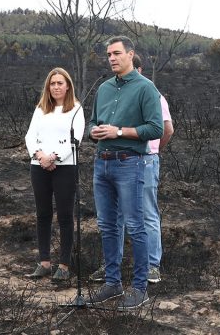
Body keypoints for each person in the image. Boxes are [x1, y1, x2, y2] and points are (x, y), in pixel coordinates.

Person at [84, 36, 163, 309]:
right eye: (108, 54)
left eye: (117, 53)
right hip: (102, 162)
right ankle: (112, 283)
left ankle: (140, 288)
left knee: (135, 225)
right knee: (107, 225)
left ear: (131, 54)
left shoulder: (146, 88)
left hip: (131, 163)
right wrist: (94, 131)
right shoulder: (104, 88)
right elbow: (93, 121)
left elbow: (156, 129)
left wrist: (119, 131)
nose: (112, 58)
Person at [90, 54, 173, 284]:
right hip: (115, 161)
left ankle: (152, 266)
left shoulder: (151, 93)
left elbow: (166, 129)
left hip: (144, 160)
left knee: (145, 214)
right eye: (109, 55)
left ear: (138, 68)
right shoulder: (110, 91)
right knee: (113, 218)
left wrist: (153, 151)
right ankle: (111, 266)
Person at [24, 67, 84, 284]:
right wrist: (40, 156)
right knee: (43, 213)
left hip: (65, 167)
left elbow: (75, 139)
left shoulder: (76, 109)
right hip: (38, 166)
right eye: (52, 83)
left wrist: (54, 157)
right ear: (48, 87)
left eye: (60, 83)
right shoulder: (41, 109)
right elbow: (30, 136)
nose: (56, 87)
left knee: (66, 215)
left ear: (68, 85)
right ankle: (44, 262)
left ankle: (64, 265)